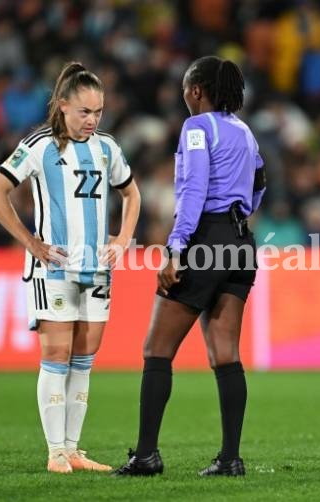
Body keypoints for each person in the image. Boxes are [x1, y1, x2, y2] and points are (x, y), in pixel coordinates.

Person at [0, 61, 141, 474]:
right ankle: (55, 452)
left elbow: (132, 194)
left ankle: (72, 449)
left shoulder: (107, 147)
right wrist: (32, 243)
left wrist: (122, 240)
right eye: (84, 111)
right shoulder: (39, 146)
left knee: (84, 359)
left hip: (97, 269)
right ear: (62, 105)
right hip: (53, 269)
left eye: (99, 112)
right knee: (57, 353)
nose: (92, 120)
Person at [113, 56, 266, 477]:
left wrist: (176, 247)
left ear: (197, 90)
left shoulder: (197, 128)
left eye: (185, 89)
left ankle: (146, 455)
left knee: (156, 350)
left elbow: (195, 189)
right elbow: (259, 185)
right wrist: (237, 219)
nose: (184, 96)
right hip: (240, 243)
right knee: (226, 354)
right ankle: (230, 458)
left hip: (205, 238)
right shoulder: (245, 130)